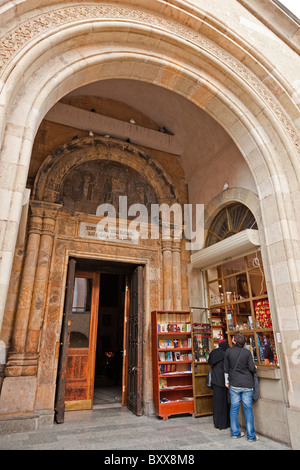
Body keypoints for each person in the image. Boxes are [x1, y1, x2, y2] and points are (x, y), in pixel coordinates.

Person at [224, 332, 258, 441]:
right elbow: (252, 368)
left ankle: (235, 433)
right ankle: (251, 436)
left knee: (234, 408)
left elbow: (226, 368)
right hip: (247, 384)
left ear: (234, 340)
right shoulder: (247, 353)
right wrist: (255, 368)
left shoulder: (228, 352)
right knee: (248, 410)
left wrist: (226, 381)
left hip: (234, 384)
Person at [208, 341, 230, 430]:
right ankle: (225, 423)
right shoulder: (226, 354)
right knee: (225, 403)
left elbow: (210, 362)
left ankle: (217, 422)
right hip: (224, 382)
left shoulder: (214, 353)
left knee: (217, 403)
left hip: (215, 381)